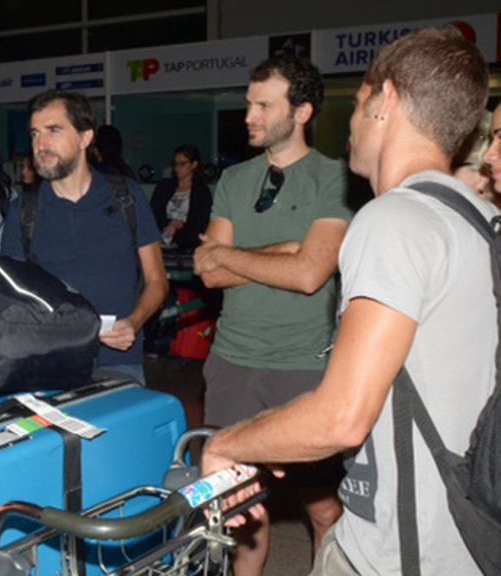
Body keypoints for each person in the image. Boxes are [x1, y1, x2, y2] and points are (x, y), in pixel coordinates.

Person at [202, 28, 492, 575]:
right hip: (465, 527)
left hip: (398, 547)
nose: (351, 125)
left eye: (357, 104)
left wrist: (230, 444)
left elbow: (340, 417)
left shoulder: (393, 219)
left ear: (385, 103)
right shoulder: (478, 216)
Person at [193, 53, 352, 575]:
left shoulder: (336, 177)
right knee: (240, 508)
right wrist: (286, 250)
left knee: (323, 506)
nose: (249, 116)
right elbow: (208, 272)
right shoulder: (235, 179)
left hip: (301, 368)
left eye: (264, 105)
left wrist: (246, 257)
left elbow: (311, 276)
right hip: (232, 364)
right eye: (248, 104)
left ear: (301, 111)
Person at [0, 90, 168, 384]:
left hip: (118, 363)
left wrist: (135, 323)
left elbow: (157, 280)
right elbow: (12, 298)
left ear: (84, 138)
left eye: (54, 130)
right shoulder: (24, 211)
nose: (41, 144)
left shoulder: (126, 196)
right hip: (48, 367)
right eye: (35, 133)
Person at [149, 144, 213, 250]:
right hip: (161, 244)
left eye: (183, 164)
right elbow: (153, 215)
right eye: (175, 164)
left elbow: (201, 225)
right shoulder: (164, 187)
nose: (178, 168)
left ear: (194, 164)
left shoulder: (201, 192)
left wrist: (179, 227)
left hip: (188, 247)